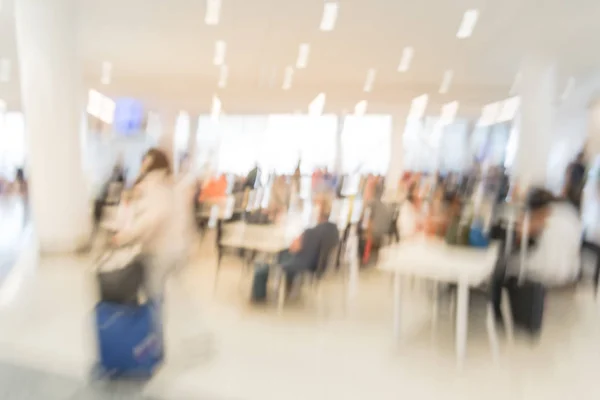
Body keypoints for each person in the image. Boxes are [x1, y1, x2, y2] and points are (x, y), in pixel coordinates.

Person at [254, 199, 339, 297]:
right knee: (283, 254)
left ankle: (258, 296)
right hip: (316, 265)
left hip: (302, 263)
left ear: (319, 210)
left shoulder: (311, 232)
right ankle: (288, 288)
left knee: (265, 262)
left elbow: (294, 248)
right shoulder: (333, 230)